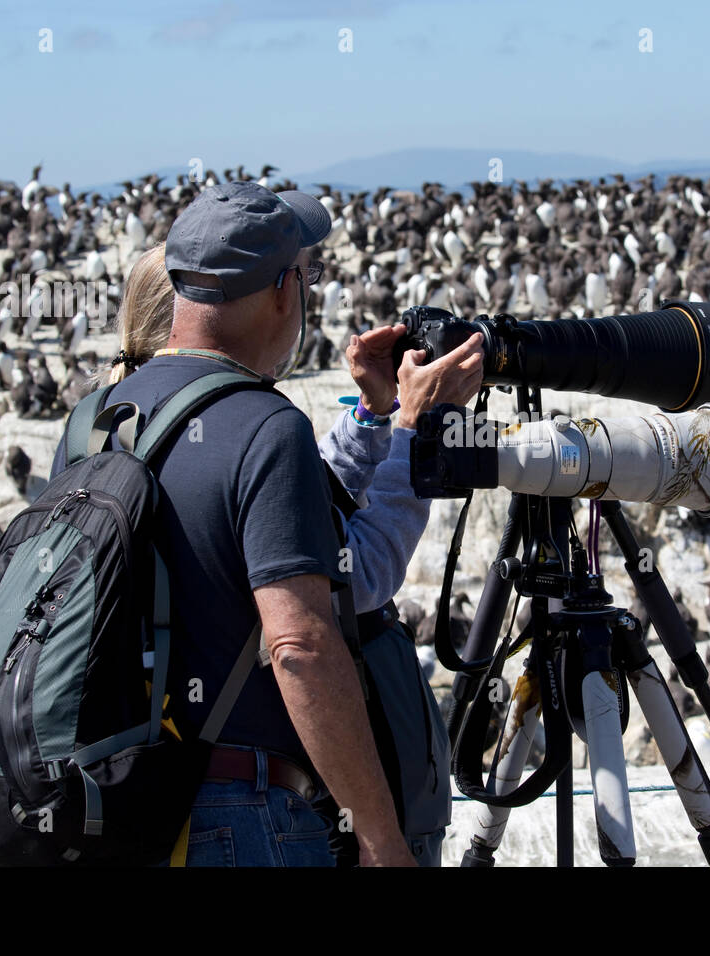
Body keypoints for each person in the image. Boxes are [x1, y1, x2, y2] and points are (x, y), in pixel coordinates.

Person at [49, 182, 482, 866]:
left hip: (124, 800)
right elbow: (312, 630)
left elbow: (268, 520)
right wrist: (378, 835)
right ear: (284, 290)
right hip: (239, 815)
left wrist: (373, 420)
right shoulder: (262, 424)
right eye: (306, 277)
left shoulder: (96, 420)